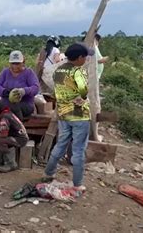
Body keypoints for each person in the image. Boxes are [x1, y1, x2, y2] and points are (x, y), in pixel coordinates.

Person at [43, 42, 95, 192]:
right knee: (79, 150)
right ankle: (77, 183)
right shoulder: (78, 72)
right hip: (79, 116)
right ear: (79, 58)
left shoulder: (58, 71)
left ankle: (48, 173)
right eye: (85, 57)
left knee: (60, 144)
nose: (86, 60)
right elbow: (84, 93)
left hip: (63, 114)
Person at [0, 50, 39, 123]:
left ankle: (18, 129)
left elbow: (35, 88)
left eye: (17, 64)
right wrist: (4, 91)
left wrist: (24, 91)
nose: (15, 66)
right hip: (6, 102)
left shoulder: (29, 73)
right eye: (13, 63)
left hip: (25, 104)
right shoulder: (5, 72)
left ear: (23, 62)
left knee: (13, 107)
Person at [0, 100, 29, 173]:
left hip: (20, 139)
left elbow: (4, 134)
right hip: (17, 136)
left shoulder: (4, 119)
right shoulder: (6, 113)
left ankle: (11, 163)